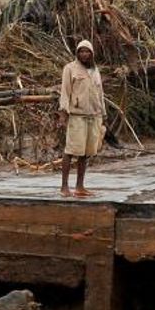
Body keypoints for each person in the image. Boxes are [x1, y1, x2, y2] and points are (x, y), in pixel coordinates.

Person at [58, 40, 105, 197]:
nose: (84, 54)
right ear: (77, 53)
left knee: (85, 152)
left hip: (93, 116)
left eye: (87, 51)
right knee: (71, 150)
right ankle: (64, 187)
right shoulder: (70, 69)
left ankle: (80, 187)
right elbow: (65, 92)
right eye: (81, 51)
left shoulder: (94, 70)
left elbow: (100, 93)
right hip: (77, 116)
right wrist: (63, 113)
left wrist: (103, 114)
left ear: (92, 53)